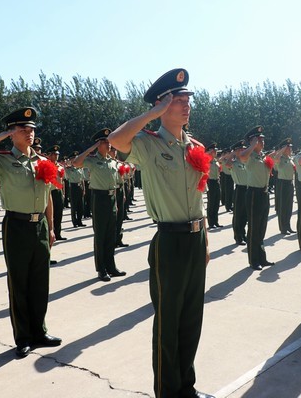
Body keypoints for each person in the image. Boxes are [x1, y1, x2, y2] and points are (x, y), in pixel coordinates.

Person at [108, 68, 214, 398]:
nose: (186, 106)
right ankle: (168, 392)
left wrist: (206, 239)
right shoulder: (148, 144)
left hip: (196, 239)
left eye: (187, 100)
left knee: (191, 319)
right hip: (169, 241)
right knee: (168, 323)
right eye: (178, 100)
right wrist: (151, 114)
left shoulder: (194, 145)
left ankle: (186, 386)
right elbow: (115, 140)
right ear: (162, 105)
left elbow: (200, 197)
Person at [0, 107, 61, 358]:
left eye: (31, 130)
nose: (29, 133)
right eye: (23, 130)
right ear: (12, 133)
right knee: (19, 283)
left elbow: (48, 195)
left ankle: (40, 331)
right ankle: (24, 337)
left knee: (40, 282)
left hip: (40, 226)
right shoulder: (2, 159)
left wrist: (50, 227)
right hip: (16, 225)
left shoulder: (42, 161)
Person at [73, 129, 126, 282]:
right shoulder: (92, 160)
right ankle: (101, 269)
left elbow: (115, 183)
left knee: (111, 234)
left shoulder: (112, 161)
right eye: (104, 142)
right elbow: (75, 163)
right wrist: (91, 148)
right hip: (99, 198)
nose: (109, 144)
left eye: (109, 141)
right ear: (98, 145)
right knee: (100, 235)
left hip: (111, 198)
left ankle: (111, 266)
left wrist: (115, 203)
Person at [238, 126, 275, 271]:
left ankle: (262, 257)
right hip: (254, 194)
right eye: (260, 139)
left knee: (262, 228)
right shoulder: (249, 155)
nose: (263, 141)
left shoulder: (263, 156)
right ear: (253, 140)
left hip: (264, 193)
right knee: (254, 228)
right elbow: (242, 157)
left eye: (263, 139)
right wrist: (252, 145)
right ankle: (254, 260)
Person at [226, 141, 248, 245]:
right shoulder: (234, 163)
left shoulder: (246, 162)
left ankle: (243, 235)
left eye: (244, 149)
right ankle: (238, 237)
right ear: (236, 151)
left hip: (248, 189)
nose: (243, 151)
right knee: (238, 215)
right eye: (241, 149)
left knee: (245, 215)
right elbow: (227, 164)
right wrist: (232, 154)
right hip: (240, 190)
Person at [273, 137, 295, 235]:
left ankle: (288, 225)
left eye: (290, 148)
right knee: (283, 207)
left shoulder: (290, 158)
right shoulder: (280, 158)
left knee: (289, 206)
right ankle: (283, 227)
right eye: (288, 148)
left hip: (290, 183)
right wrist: (282, 149)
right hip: (282, 183)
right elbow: (275, 158)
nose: (290, 149)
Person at [48, 145, 67, 241]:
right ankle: (50, 233)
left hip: (58, 192)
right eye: (54, 154)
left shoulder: (60, 166)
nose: (56, 156)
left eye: (57, 154)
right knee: (50, 214)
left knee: (59, 214)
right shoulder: (46, 165)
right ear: (50, 155)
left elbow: (62, 180)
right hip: (50, 192)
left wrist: (63, 192)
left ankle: (58, 233)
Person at [64, 153, 86, 228]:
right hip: (73, 187)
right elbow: (65, 174)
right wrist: (67, 164)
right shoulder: (69, 169)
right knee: (74, 206)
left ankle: (80, 221)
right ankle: (74, 222)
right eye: (73, 158)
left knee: (80, 205)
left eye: (76, 158)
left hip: (80, 186)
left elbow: (82, 179)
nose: (75, 160)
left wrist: (84, 189)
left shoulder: (80, 168)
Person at [205, 143, 222, 229]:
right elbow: (203, 157)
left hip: (217, 182)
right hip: (210, 182)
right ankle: (211, 223)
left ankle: (216, 221)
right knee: (211, 203)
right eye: (214, 151)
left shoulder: (216, 161)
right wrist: (208, 152)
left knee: (216, 203)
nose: (215, 152)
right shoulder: (206, 160)